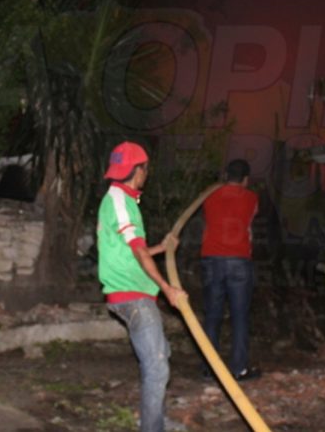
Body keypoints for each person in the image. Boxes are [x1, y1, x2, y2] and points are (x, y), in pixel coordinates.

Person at [97, 141, 186, 432]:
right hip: (132, 296)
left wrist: (162, 246)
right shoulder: (120, 201)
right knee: (157, 365)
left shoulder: (122, 199)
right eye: (145, 170)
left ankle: (154, 420)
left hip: (135, 292)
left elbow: (131, 250)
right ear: (139, 170)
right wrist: (168, 288)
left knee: (161, 356)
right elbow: (137, 251)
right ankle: (151, 428)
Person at [200, 159, 261, 381]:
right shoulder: (252, 198)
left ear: (225, 175)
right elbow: (249, 222)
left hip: (211, 260)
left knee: (212, 315)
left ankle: (209, 367)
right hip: (239, 261)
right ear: (246, 179)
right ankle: (239, 368)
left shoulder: (208, 196)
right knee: (240, 316)